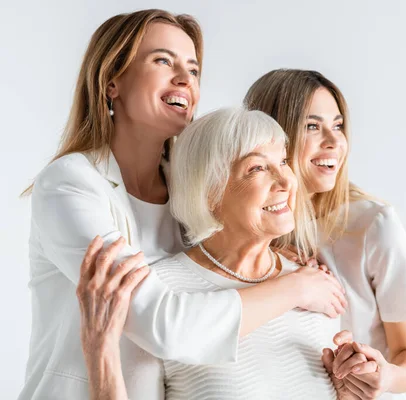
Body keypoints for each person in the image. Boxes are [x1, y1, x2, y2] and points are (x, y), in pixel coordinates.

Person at [20, 12, 345, 399]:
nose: (185, 79)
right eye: (163, 61)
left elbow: (215, 265)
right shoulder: (71, 184)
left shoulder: (192, 187)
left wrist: (278, 257)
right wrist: (294, 288)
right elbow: (162, 326)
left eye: (193, 69)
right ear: (111, 82)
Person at [79, 107, 345, 399]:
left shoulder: (318, 286)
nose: (285, 182)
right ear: (209, 192)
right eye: (257, 168)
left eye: (282, 161)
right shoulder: (157, 291)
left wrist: (355, 391)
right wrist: (99, 351)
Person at [244, 69, 406, 399]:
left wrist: (385, 377)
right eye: (313, 126)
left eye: (338, 125)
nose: (333, 142)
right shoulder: (249, 231)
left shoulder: (372, 224)